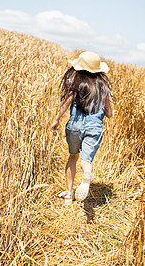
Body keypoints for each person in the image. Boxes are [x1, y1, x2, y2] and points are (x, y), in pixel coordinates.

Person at [51, 51, 113, 204]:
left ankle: (68, 196)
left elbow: (66, 103)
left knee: (73, 156)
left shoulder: (75, 84)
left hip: (75, 125)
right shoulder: (103, 88)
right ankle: (86, 177)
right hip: (94, 127)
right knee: (86, 162)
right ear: (98, 71)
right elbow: (109, 114)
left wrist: (56, 119)